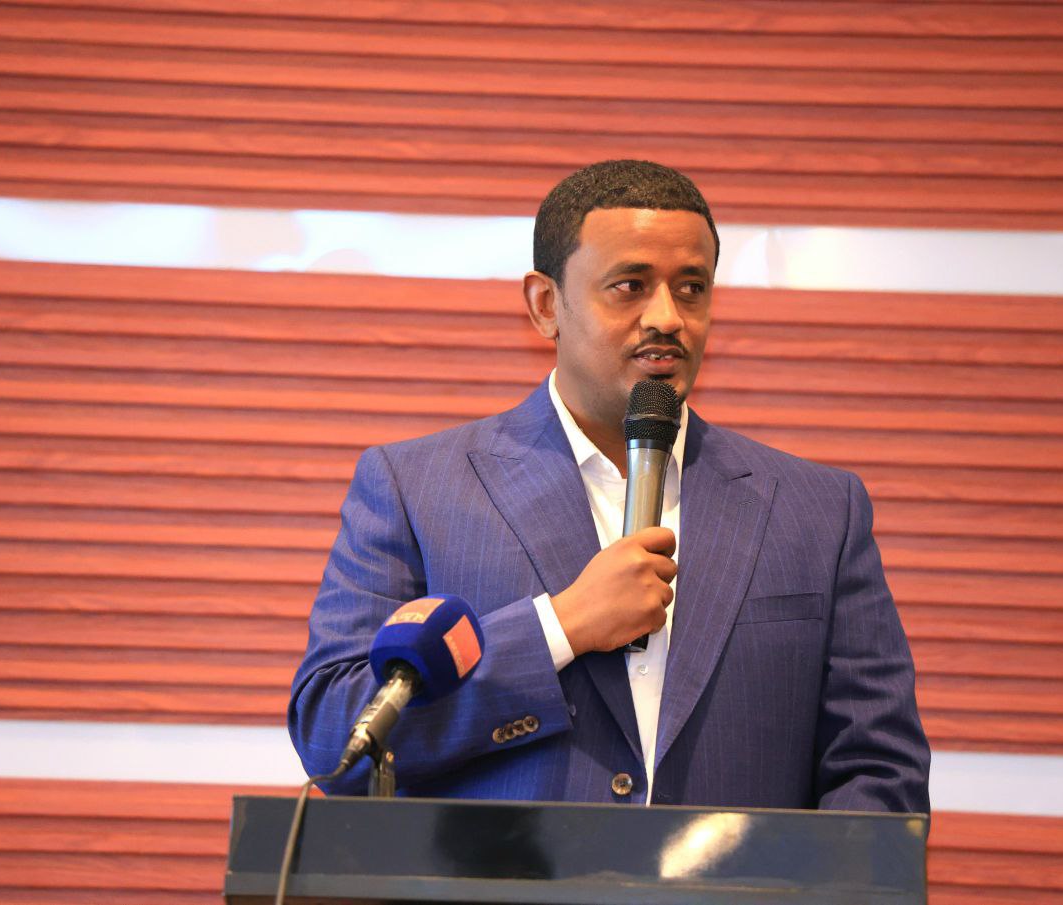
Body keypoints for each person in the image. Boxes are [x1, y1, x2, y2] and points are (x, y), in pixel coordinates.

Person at [289, 160, 930, 811]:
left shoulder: (819, 511)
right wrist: (561, 626)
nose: (668, 317)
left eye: (692, 288)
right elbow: (333, 737)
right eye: (630, 286)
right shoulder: (415, 489)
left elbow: (878, 769)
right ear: (546, 306)